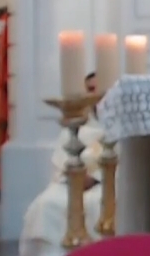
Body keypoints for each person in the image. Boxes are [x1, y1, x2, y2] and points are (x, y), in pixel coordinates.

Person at [20, 73, 104, 256]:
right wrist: (75, 176)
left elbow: (125, 165)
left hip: (104, 187)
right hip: (69, 185)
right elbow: (60, 162)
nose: (95, 94)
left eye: (99, 89)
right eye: (90, 89)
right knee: (46, 204)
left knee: (98, 205)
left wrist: (96, 178)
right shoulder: (77, 126)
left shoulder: (117, 127)